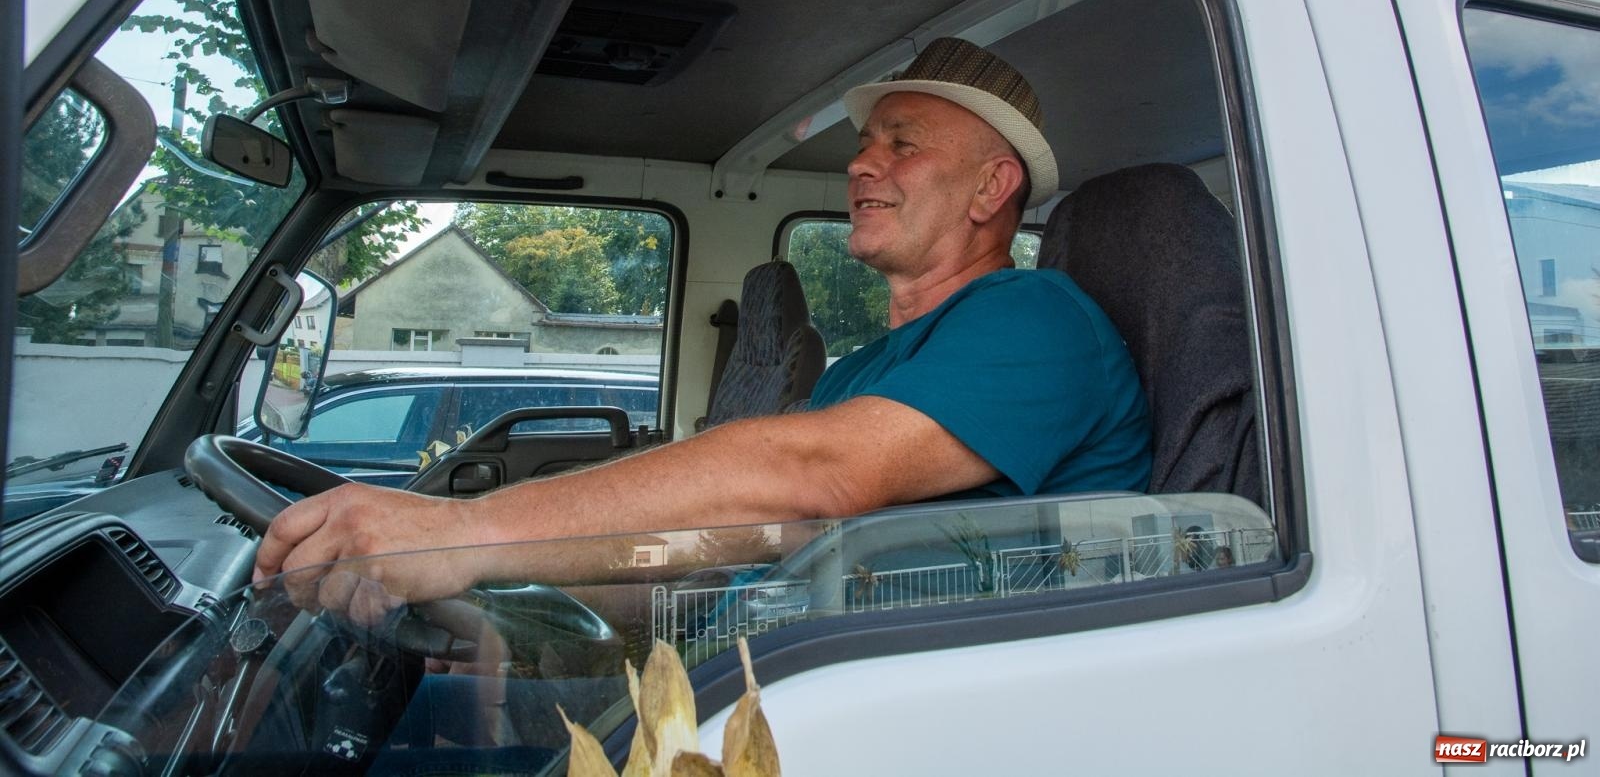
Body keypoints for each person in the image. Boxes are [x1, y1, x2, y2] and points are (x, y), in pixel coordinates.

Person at [253, 37, 1151, 614]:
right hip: (752, 683)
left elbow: (813, 477)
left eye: (902, 143)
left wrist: (467, 534)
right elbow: (729, 549)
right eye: (865, 144)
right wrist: (517, 606)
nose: (860, 165)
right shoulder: (862, 372)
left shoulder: (1040, 320)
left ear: (992, 189)